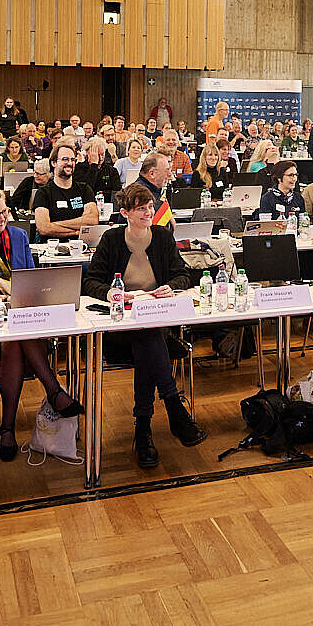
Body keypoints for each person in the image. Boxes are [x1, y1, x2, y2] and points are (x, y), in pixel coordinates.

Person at [0, 187, 83, 460]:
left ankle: (8, 428)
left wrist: (24, 298)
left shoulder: (18, 236)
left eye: (4, 212)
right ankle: (53, 391)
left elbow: (31, 279)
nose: (2, 218)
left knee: (15, 339)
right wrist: (4, 298)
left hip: (23, 312)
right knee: (14, 336)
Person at [83, 183, 205, 468]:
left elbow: (183, 275)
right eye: (141, 209)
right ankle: (173, 406)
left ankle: (144, 427)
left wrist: (170, 287)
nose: (148, 213)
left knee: (147, 338)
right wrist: (111, 293)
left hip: (157, 320)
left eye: (150, 207)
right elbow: (90, 281)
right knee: (146, 338)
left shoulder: (162, 237)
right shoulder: (112, 239)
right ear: (125, 212)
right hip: (120, 326)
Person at [33, 141, 100, 240]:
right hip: (53, 247)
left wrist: (54, 224)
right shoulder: (43, 193)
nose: (69, 163)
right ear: (54, 163)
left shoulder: (85, 189)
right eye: (65, 159)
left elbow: (92, 220)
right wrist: (75, 232)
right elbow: (44, 228)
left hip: (80, 246)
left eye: (72, 160)